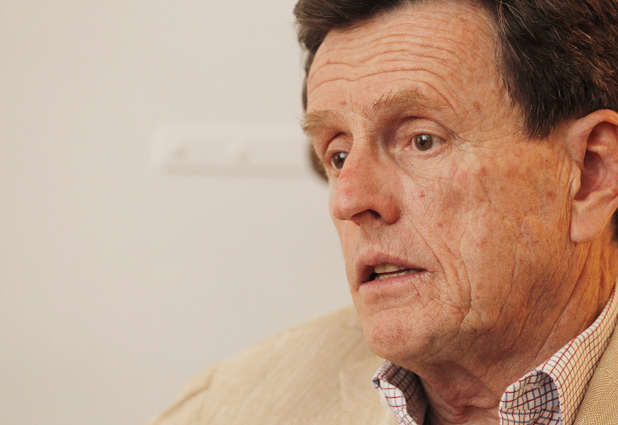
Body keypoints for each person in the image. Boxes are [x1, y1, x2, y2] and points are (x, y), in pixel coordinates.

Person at [146, 0, 618, 423]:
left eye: (422, 140)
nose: (348, 201)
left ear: (590, 175)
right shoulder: (223, 407)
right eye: (338, 155)